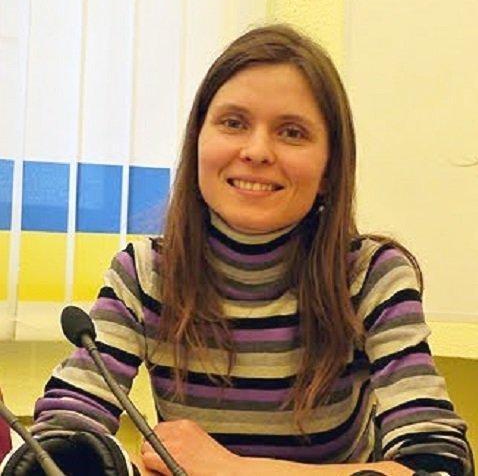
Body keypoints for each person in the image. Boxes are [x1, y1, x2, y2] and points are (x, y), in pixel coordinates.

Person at [3, 24, 473, 475]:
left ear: (330, 168)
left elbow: (438, 465)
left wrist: (231, 469)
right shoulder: (146, 273)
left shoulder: (370, 275)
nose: (257, 151)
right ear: (198, 142)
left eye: (292, 132)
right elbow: (66, 428)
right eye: (233, 123)